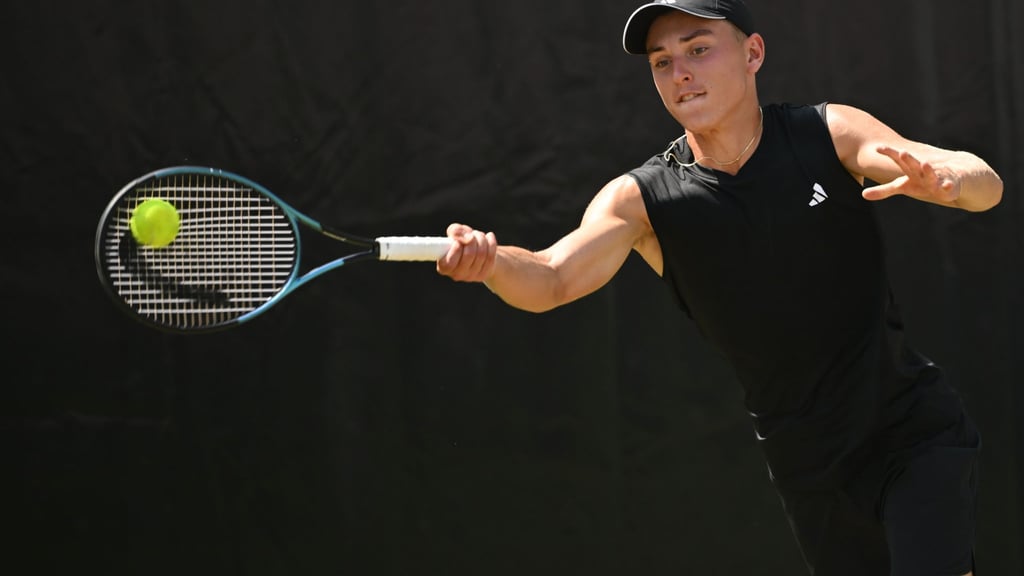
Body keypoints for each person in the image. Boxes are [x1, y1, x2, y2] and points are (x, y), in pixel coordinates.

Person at [436, 1, 1004, 574]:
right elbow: (551, 278)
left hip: (910, 434)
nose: (680, 72)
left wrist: (952, 182)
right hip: (810, 468)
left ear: (752, 53)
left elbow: (983, 184)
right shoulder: (641, 201)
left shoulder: (828, 132)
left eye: (698, 49)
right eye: (662, 62)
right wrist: (492, 264)